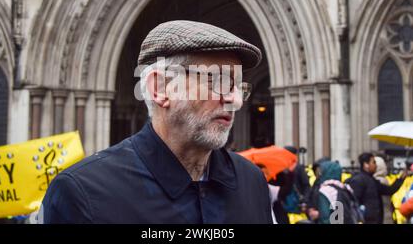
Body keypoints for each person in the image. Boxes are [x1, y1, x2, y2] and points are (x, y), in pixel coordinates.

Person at [42, 20, 273, 223]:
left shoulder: (251, 181)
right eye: (219, 81)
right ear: (160, 88)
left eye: (238, 87)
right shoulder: (83, 192)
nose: (235, 101)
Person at [346, 152, 407, 224]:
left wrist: (401, 179)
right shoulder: (359, 180)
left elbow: (389, 190)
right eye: (373, 162)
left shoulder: (372, 181)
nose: (375, 165)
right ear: (366, 165)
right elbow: (354, 203)